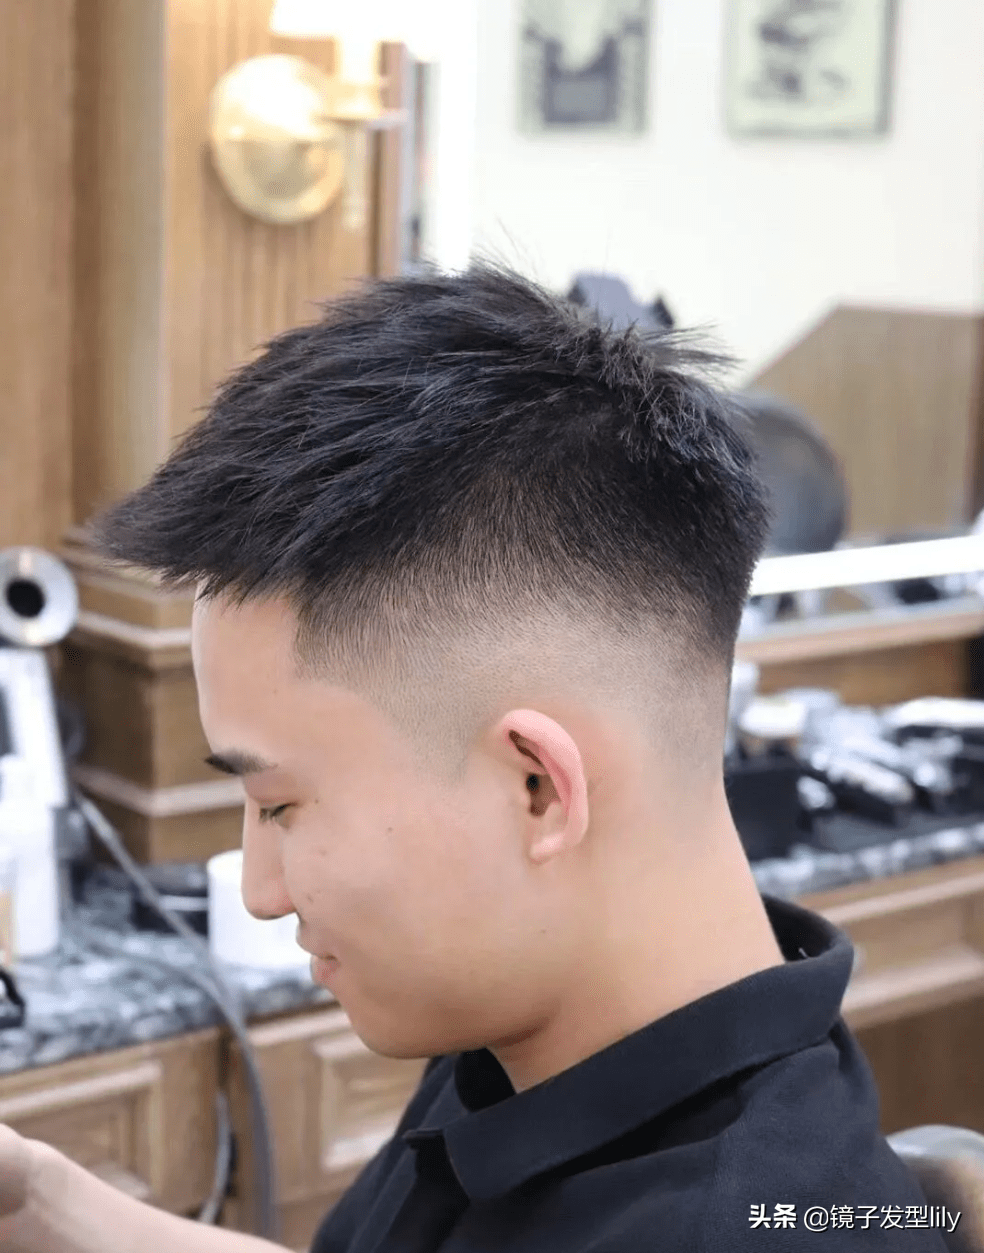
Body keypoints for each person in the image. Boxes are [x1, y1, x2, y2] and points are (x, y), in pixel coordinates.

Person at [0, 261, 950, 1252]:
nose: (261, 891)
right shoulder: (545, 1034)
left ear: (536, 788)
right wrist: (38, 1202)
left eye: (280, 804)